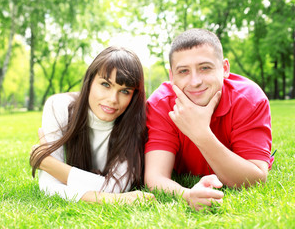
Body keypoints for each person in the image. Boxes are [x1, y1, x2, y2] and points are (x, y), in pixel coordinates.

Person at [144, 28, 273, 211]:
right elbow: (155, 177)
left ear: (225, 69)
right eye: (183, 71)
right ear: (172, 76)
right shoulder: (161, 104)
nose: (195, 81)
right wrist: (187, 195)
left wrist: (201, 133)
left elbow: (255, 179)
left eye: (205, 68)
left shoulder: (249, 100)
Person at [30, 46, 155, 204]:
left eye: (125, 91)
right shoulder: (59, 106)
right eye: (105, 85)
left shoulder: (135, 121)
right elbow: (49, 185)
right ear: (89, 82)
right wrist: (113, 200)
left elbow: (116, 188)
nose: (113, 99)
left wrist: (49, 164)